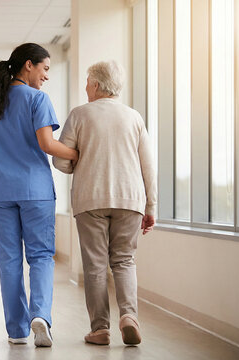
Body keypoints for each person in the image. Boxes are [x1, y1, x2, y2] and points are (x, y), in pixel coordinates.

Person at [0, 43, 78, 347]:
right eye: (45, 68)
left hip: (0, 191)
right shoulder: (37, 99)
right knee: (41, 256)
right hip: (34, 190)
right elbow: (47, 144)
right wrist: (77, 152)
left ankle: (17, 331)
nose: (46, 76)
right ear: (29, 65)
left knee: (8, 260)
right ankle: (40, 316)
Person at [52, 60, 157, 346]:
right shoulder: (134, 117)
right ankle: (129, 317)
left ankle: (100, 329)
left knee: (96, 264)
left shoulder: (80, 114)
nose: (86, 87)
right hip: (130, 198)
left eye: (88, 82)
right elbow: (148, 165)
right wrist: (151, 208)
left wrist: (83, 161)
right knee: (124, 260)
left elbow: (61, 160)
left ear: (96, 85)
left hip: (91, 198)